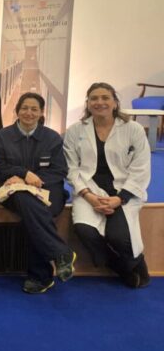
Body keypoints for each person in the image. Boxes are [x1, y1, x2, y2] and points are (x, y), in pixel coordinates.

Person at [64, 82, 151, 288]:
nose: (99, 102)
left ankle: (135, 261)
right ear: (88, 103)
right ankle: (122, 266)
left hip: (122, 192)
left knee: (118, 237)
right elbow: (72, 168)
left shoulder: (134, 130)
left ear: (115, 103)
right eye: (94, 98)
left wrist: (119, 199)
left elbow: (141, 168)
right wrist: (88, 196)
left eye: (105, 98)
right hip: (89, 190)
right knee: (85, 230)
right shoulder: (76, 131)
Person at [0, 92, 75, 294]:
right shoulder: (2, 136)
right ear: (17, 111)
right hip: (12, 188)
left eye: (34, 109)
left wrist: (35, 179)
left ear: (41, 112)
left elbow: (59, 170)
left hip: (48, 188)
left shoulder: (52, 138)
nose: (29, 113)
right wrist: (23, 174)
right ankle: (56, 257)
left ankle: (44, 274)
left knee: (35, 211)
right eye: (24, 108)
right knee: (27, 203)